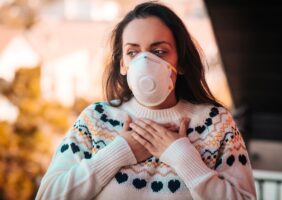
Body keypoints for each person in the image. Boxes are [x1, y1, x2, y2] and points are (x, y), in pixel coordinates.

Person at [35, 2, 256, 200]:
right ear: (123, 64)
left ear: (180, 63)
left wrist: (183, 157)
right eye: (133, 52)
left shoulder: (215, 123)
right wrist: (118, 152)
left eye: (159, 51)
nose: (145, 62)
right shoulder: (95, 119)